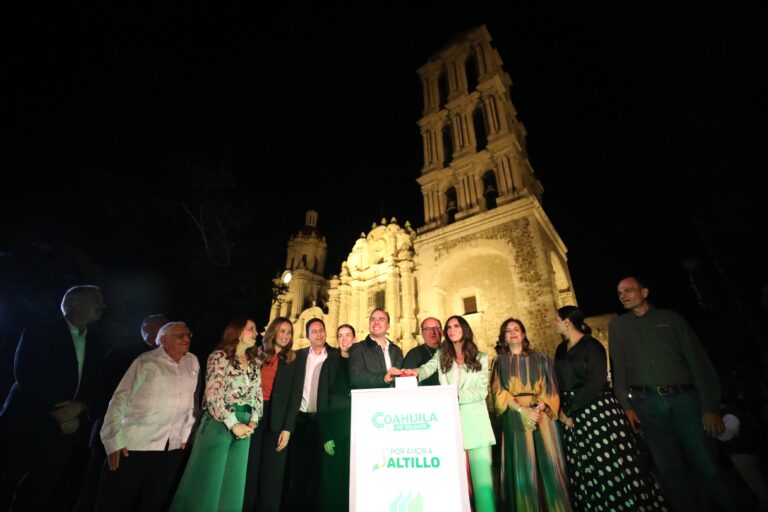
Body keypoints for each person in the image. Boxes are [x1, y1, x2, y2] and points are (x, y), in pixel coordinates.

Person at [609, 276, 732, 511]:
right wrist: (626, 406)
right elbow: (619, 369)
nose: (623, 295)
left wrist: (710, 407)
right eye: (619, 292)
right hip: (648, 404)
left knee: (706, 464)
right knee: (668, 469)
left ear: (644, 292)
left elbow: (699, 363)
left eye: (628, 290)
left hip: (685, 401)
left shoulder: (671, 320)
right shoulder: (618, 327)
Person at [0, 285, 107, 511]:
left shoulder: (97, 342)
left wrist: (81, 406)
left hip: (65, 431)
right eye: (96, 300)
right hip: (27, 422)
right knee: (6, 479)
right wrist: (59, 413)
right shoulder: (39, 331)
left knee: (40, 488)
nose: (103, 305)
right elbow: (27, 375)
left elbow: (98, 382)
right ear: (76, 304)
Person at [555, 305, 663, 511]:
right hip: (571, 415)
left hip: (597, 411)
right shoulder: (561, 349)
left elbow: (596, 382)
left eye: (557, 319)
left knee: (610, 463)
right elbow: (560, 381)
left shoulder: (593, 346)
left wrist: (570, 410)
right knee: (586, 466)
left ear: (567, 321)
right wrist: (563, 409)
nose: (555, 323)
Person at [95, 321, 199, 512]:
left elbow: (189, 401)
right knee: (115, 502)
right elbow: (119, 400)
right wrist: (113, 441)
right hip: (135, 445)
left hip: (170, 448)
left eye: (188, 335)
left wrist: (184, 435)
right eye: (180, 336)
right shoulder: (146, 361)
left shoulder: (192, 361)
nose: (186, 339)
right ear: (164, 341)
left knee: (153, 503)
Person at [75, 314, 169, 512]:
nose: (164, 333)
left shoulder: (172, 363)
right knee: (96, 487)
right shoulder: (123, 355)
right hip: (112, 430)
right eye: (160, 329)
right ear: (146, 332)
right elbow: (101, 392)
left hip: (141, 439)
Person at [169, 317, 262, 512]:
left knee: (233, 482)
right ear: (237, 332)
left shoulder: (254, 362)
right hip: (220, 421)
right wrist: (233, 423)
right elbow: (213, 393)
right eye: (251, 329)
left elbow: (257, 393)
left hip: (245, 425)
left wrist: (253, 422)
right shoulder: (219, 357)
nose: (256, 333)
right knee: (207, 480)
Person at [411, 315, 496, 512]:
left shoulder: (482, 357)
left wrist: (453, 395)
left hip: (476, 428)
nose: (451, 329)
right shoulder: (442, 355)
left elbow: (482, 391)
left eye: (456, 326)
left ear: (464, 329)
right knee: (453, 487)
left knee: (483, 487)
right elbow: (424, 370)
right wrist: (409, 373)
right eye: (448, 327)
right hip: (449, 427)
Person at [491, 317, 570, 511]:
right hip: (515, 415)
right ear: (504, 337)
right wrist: (522, 410)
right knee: (522, 465)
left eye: (516, 329)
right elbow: (498, 390)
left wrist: (538, 409)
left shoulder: (541, 358)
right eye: (508, 330)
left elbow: (551, 387)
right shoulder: (499, 361)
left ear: (524, 334)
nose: (513, 332)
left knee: (549, 464)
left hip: (542, 415)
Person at [243, 316, 301, 512]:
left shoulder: (293, 359)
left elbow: (295, 396)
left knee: (272, 474)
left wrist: (287, 428)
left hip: (277, 419)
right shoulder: (256, 355)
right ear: (273, 332)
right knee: (250, 469)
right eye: (282, 331)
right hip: (254, 416)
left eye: (289, 332)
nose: (286, 336)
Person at [284, 318, 330, 512]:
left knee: (322, 472)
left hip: (324, 420)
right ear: (307, 335)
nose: (319, 334)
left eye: (321, 330)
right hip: (302, 420)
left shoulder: (334, 356)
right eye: (314, 331)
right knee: (300, 470)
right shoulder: (299, 356)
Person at [317, 323, 357, 512]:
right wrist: (326, 434)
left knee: (354, 477)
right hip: (336, 426)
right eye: (340, 335)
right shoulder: (329, 363)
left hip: (357, 426)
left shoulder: (361, 362)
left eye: (348, 335)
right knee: (334, 477)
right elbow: (322, 400)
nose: (344, 339)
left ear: (354, 339)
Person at [349, 308, 404, 389]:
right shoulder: (358, 348)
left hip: (394, 398)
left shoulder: (396, 350)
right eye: (372, 319)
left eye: (381, 319)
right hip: (370, 399)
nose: (376, 322)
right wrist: (384, 378)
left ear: (388, 325)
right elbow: (357, 377)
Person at [403, 317, 442, 386]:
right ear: (422, 334)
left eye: (436, 328)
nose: (433, 332)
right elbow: (407, 382)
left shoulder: (448, 351)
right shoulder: (413, 355)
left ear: (442, 331)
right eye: (427, 329)